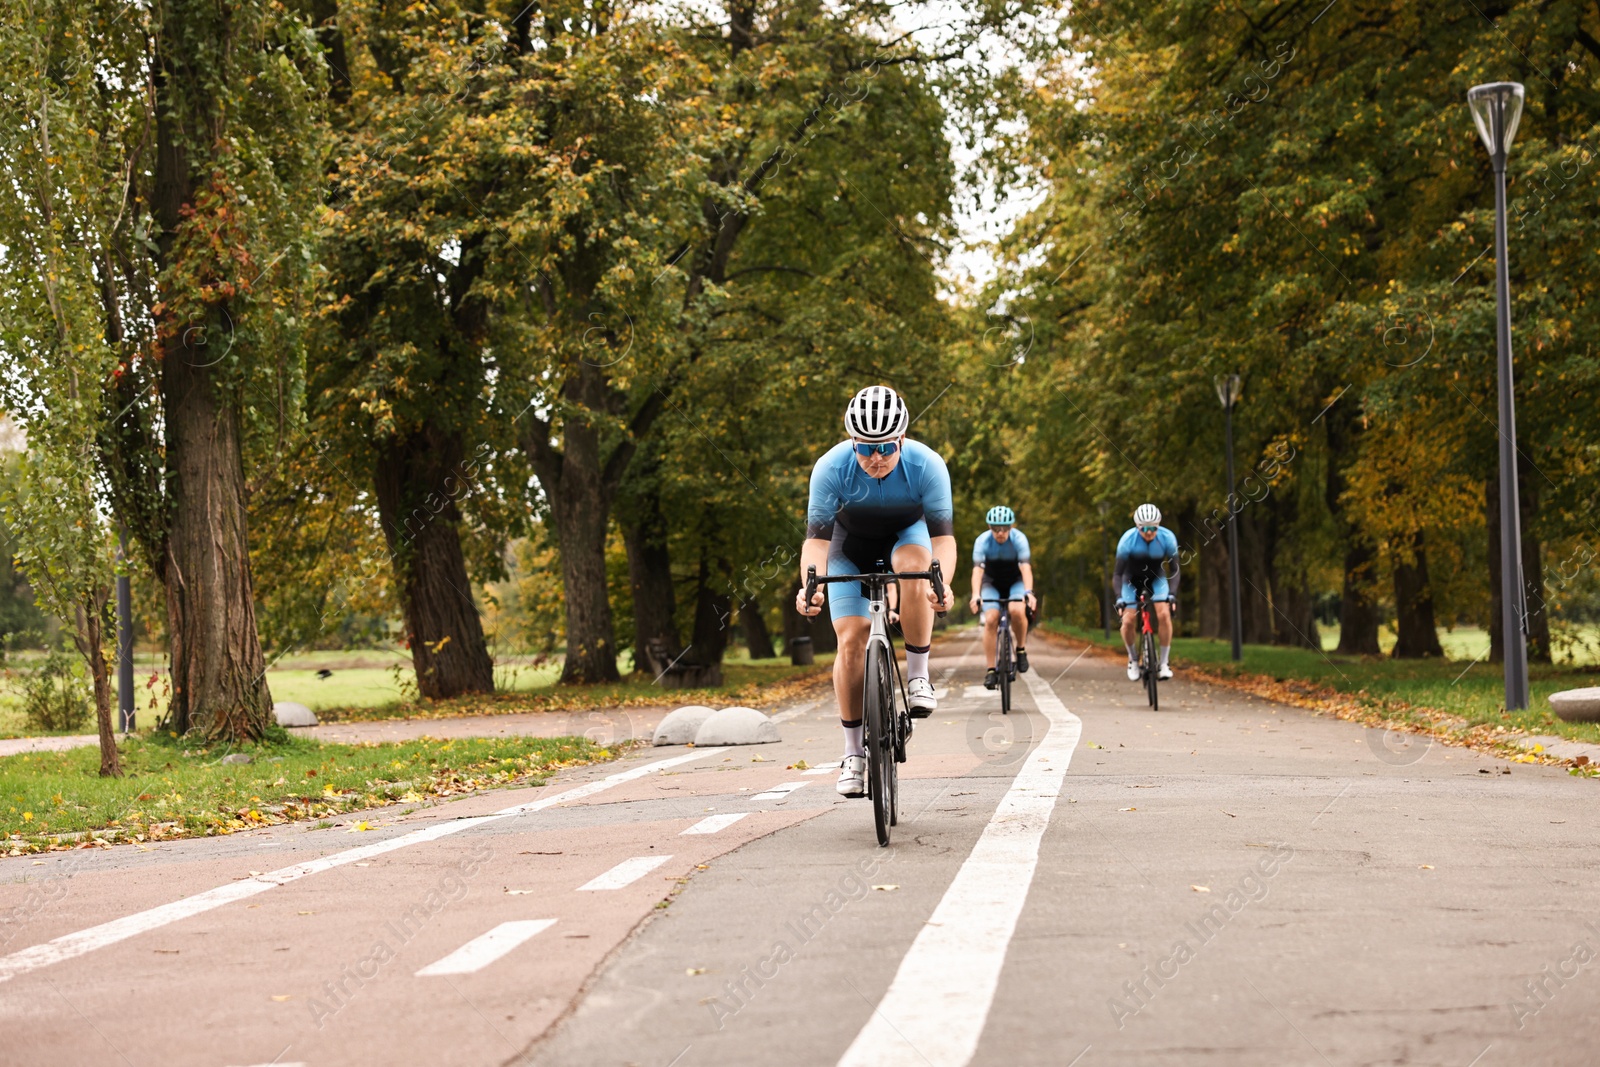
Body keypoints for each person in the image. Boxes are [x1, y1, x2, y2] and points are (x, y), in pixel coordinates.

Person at [796, 385, 957, 798]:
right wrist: (810, 585)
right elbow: (816, 543)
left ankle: (919, 676)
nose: (877, 458)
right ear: (852, 442)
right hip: (849, 546)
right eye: (865, 448)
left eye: (886, 446)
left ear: (902, 438)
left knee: (915, 567)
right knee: (851, 639)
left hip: (908, 538)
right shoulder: (830, 468)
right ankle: (853, 754)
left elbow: (943, 540)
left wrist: (943, 584)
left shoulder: (928, 465)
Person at [967, 505, 1036, 689]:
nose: (1000, 533)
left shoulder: (1019, 539)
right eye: (996, 529)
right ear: (990, 528)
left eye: (1005, 528)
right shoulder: (982, 542)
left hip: (1015, 581)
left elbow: (1026, 569)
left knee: (1017, 610)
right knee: (991, 619)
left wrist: (1028, 592)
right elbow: (977, 571)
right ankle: (991, 670)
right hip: (991, 583)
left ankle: (1020, 649)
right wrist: (975, 595)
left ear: (1011, 527)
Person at [1114, 503, 1180, 681]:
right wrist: (1119, 598)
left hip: (1156, 578)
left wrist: (1172, 594)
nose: (1149, 532)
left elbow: (1175, 569)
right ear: (1137, 527)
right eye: (1144, 528)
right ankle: (1133, 659)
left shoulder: (1167, 538)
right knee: (1128, 620)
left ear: (1158, 526)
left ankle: (1164, 663)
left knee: (1164, 614)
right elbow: (1118, 574)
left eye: (1153, 528)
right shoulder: (1127, 540)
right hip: (1130, 579)